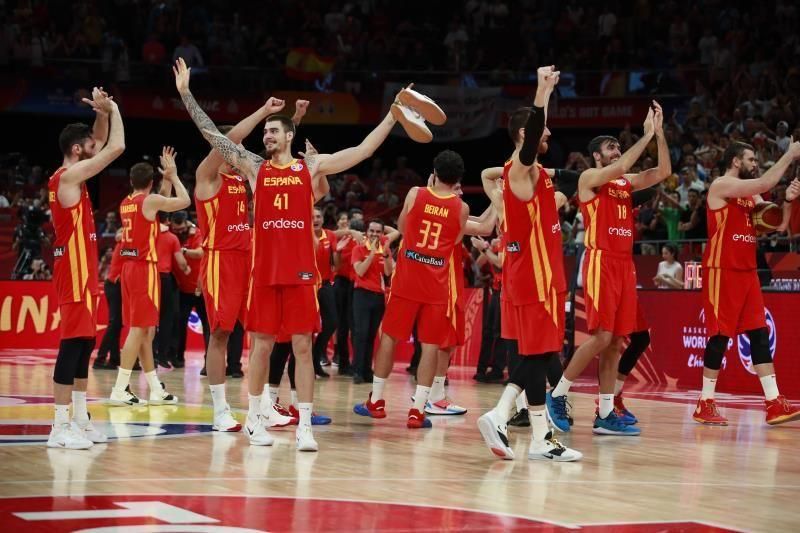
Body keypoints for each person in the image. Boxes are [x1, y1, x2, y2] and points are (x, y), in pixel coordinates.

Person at [175, 57, 423, 450]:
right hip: (264, 273)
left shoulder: (311, 167)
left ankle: (304, 424)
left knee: (304, 347)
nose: (266, 135)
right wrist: (186, 93)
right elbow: (212, 135)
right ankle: (255, 417)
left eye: (273, 130)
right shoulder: (254, 168)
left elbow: (360, 150)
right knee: (261, 345)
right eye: (266, 131)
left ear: (288, 135)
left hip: (302, 274)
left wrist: (392, 118)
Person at [546, 100, 672, 437]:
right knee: (601, 336)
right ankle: (557, 394)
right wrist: (644, 137)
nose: (616, 149)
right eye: (610, 146)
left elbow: (662, 173)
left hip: (625, 265)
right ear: (598, 156)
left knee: (617, 342)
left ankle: (604, 413)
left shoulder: (625, 185)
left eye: (618, 144)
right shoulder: (590, 178)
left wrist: (659, 136)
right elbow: (621, 168)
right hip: (601, 261)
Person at [477, 66, 582, 461]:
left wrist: (547, 97)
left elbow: (535, 135)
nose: (549, 135)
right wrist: (540, 91)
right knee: (539, 356)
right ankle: (500, 413)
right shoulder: (518, 173)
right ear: (525, 136)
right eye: (542, 131)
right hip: (536, 279)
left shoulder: (532, 174)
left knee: (535, 357)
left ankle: (541, 438)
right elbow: (533, 135)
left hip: (531, 277)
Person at [191, 96, 308, 432]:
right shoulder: (207, 178)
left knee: (263, 333)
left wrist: (295, 118)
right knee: (221, 333)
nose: (240, 151)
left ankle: (263, 405)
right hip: (219, 261)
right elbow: (223, 139)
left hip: (250, 262)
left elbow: (282, 156)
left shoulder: (244, 179)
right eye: (234, 146)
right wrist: (263, 111)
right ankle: (219, 410)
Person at [354, 150, 468, 428]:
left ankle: (377, 401)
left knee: (390, 337)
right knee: (430, 346)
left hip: (408, 278)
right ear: (457, 179)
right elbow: (455, 240)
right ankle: (417, 410)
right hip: (436, 284)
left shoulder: (416, 193)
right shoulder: (461, 208)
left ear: (434, 173)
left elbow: (404, 226)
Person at [694, 141, 800, 426]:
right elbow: (765, 181)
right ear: (736, 161)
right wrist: (790, 154)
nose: (756, 162)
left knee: (759, 334)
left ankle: (774, 401)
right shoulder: (720, 185)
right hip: (722, 270)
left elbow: (777, 226)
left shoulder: (751, 199)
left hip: (748, 272)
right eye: (751, 159)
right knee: (719, 336)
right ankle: (705, 402)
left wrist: (787, 202)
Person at [47, 87, 124, 449]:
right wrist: (115, 110)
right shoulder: (67, 178)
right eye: (88, 145)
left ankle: (79, 418)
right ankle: (58, 425)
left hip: (83, 273)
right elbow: (115, 148)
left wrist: (102, 113)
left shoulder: (73, 175)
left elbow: (99, 140)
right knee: (71, 346)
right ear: (76, 150)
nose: (95, 144)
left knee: (84, 345)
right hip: (74, 274)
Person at [110, 147, 189, 406]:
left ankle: (155, 388)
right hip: (144, 269)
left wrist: (164, 179)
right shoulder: (149, 202)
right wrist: (175, 176)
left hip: (129, 269)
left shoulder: (127, 203)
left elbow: (159, 204)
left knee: (145, 332)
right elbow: (184, 201)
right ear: (150, 183)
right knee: (139, 330)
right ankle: (120, 387)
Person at [350, 219, 395, 385]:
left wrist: (386, 256)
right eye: (372, 231)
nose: (375, 234)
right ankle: (357, 371)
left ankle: (367, 371)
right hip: (361, 295)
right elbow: (360, 271)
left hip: (378, 297)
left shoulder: (385, 250)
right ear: (366, 232)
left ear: (382, 234)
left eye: (378, 232)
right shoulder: (358, 249)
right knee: (360, 334)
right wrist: (371, 253)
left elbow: (388, 272)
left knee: (370, 336)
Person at [152, 212, 190, 369]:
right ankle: (162, 356)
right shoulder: (172, 238)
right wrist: (187, 269)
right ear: (168, 220)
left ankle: (150, 356)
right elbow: (181, 262)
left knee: (150, 319)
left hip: (149, 277)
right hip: (165, 278)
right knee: (167, 318)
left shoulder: (148, 233)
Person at [170, 211, 208, 370]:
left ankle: (209, 361)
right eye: (175, 229)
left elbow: (200, 253)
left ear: (186, 224)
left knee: (208, 325)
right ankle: (178, 358)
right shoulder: (170, 234)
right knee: (178, 324)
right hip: (181, 289)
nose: (178, 232)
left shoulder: (196, 232)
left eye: (180, 229)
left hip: (200, 289)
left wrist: (181, 250)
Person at [312, 206, 337, 378]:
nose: (316, 219)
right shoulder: (302, 234)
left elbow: (337, 263)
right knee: (304, 327)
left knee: (332, 322)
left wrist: (338, 251)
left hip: (326, 284)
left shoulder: (330, 235)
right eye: (312, 216)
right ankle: (304, 365)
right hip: (306, 285)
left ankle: (316, 355)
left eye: (318, 216)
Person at [94, 231, 123, 370]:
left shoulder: (124, 240)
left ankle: (114, 359)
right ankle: (100, 359)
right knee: (115, 323)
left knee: (117, 324)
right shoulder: (125, 244)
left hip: (116, 285)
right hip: (115, 285)